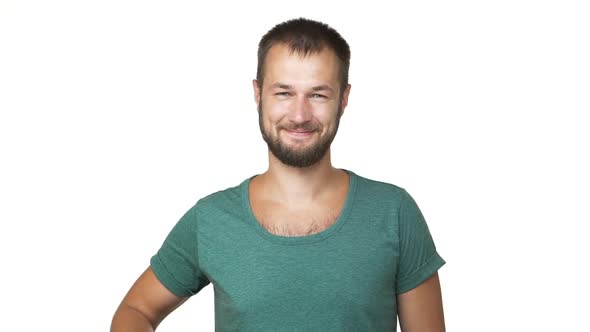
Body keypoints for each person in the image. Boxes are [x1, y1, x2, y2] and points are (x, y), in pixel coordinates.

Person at [111, 17, 446, 332]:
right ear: (258, 94)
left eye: (318, 94)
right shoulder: (211, 219)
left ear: (343, 99)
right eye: (283, 93)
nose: (299, 115)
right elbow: (136, 311)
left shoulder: (394, 212)